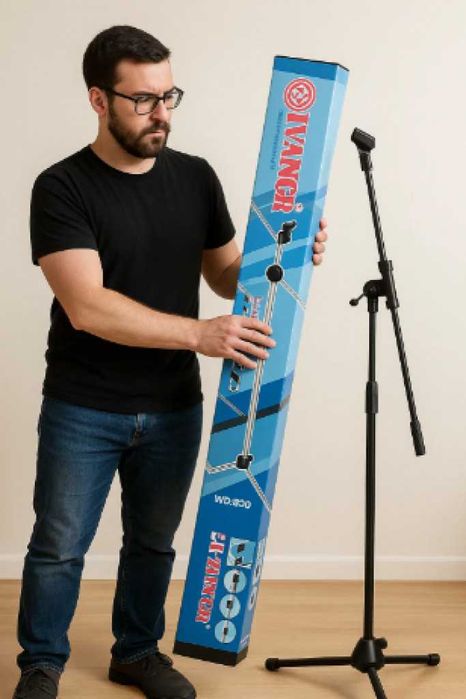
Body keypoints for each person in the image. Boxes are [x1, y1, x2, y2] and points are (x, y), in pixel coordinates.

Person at [12, 25, 329, 699]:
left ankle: (136, 652)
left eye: (169, 96)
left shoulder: (194, 177)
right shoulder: (61, 187)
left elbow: (227, 276)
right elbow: (87, 306)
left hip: (173, 406)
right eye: (143, 100)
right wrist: (198, 335)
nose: (162, 114)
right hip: (83, 406)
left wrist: (290, 250)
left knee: (154, 542)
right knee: (59, 546)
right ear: (99, 100)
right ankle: (40, 664)